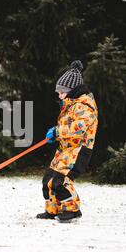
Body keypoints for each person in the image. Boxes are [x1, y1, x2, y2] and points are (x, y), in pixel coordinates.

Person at [37, 60, 98, 222]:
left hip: (79, 150)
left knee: (61, 180)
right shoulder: (70, 104)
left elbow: (78, 128)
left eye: (61, 92)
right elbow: (67, 126)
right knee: (48, 179)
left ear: (72, 91)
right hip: (65, 148)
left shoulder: (85, 106)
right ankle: (53, 210)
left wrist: (58, 131)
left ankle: (72, 210)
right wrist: (56, 134)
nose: (59, 95)